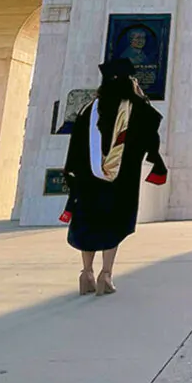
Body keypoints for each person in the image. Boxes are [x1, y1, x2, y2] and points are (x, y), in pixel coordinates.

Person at [61, 57, 167, 296]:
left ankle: (86, 273)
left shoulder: (89, 110)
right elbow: (152, 127)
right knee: (113, 224)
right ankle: (105, 275)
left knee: (88, 223)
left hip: (88, 180)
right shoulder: (136, 108)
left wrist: (74, 173)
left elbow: (75, 144)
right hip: (121, 181)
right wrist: (141, 97)